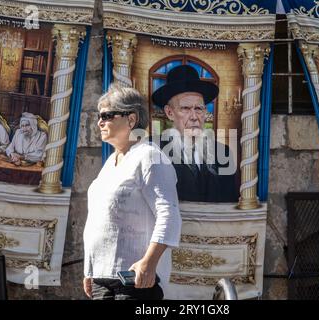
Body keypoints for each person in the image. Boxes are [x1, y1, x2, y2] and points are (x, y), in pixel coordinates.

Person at [83, 85, 181, 300]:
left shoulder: (150, 157)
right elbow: (98, 220)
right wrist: (90, 270)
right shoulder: (111, 162)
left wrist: (149, 263)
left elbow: (170, 215)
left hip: (134, 281)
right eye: (99, 116)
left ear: (131, 119)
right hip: (102, 279)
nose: (100, 122)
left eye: (107, 115)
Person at [151, 65, 239, 202]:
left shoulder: (224, 153)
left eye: (199, 108)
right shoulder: (152, 149)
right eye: (185, 108)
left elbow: (229, 205)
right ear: (170, 113)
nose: (194, 116)